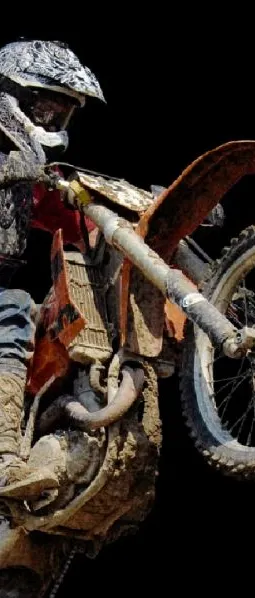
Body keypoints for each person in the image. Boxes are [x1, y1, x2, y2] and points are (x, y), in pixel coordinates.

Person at [0, 38, 105, 500]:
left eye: (60, 112)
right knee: (13, 308)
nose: (50, 120)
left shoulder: (33, 175)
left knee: (39, 311)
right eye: (42, 108)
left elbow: (78, 220)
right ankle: (5, 460)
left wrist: (149, 211)